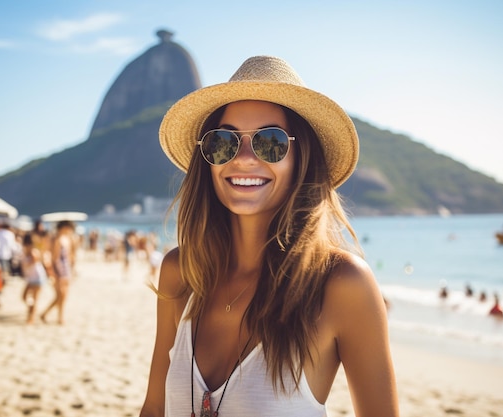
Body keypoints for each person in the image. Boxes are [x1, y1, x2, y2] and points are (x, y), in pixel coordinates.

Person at [140, 56, 398, 416]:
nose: (243, 159)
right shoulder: (181, 272)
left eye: (270, 142)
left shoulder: (342, 285)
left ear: (301, 159)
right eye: (224, 142)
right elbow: (153, 410)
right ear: (207, 159)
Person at [40, 220, 75, 325]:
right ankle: (58, 316)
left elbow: (69, 255)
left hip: (66, 268)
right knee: (60, 294)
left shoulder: (67, 239)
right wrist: (52, 272)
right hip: (59, 269)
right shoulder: (57, 239)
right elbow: (55, 257)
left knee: (63, 295)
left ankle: (49, 314)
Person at [20, 233, 47, 324]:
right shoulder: (26, 252)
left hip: (37, 277)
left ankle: (31, 318)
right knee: (24, 297)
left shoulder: (34, 252)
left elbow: (32, 261)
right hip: (31, 278)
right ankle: (31, 312)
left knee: (34, 299)